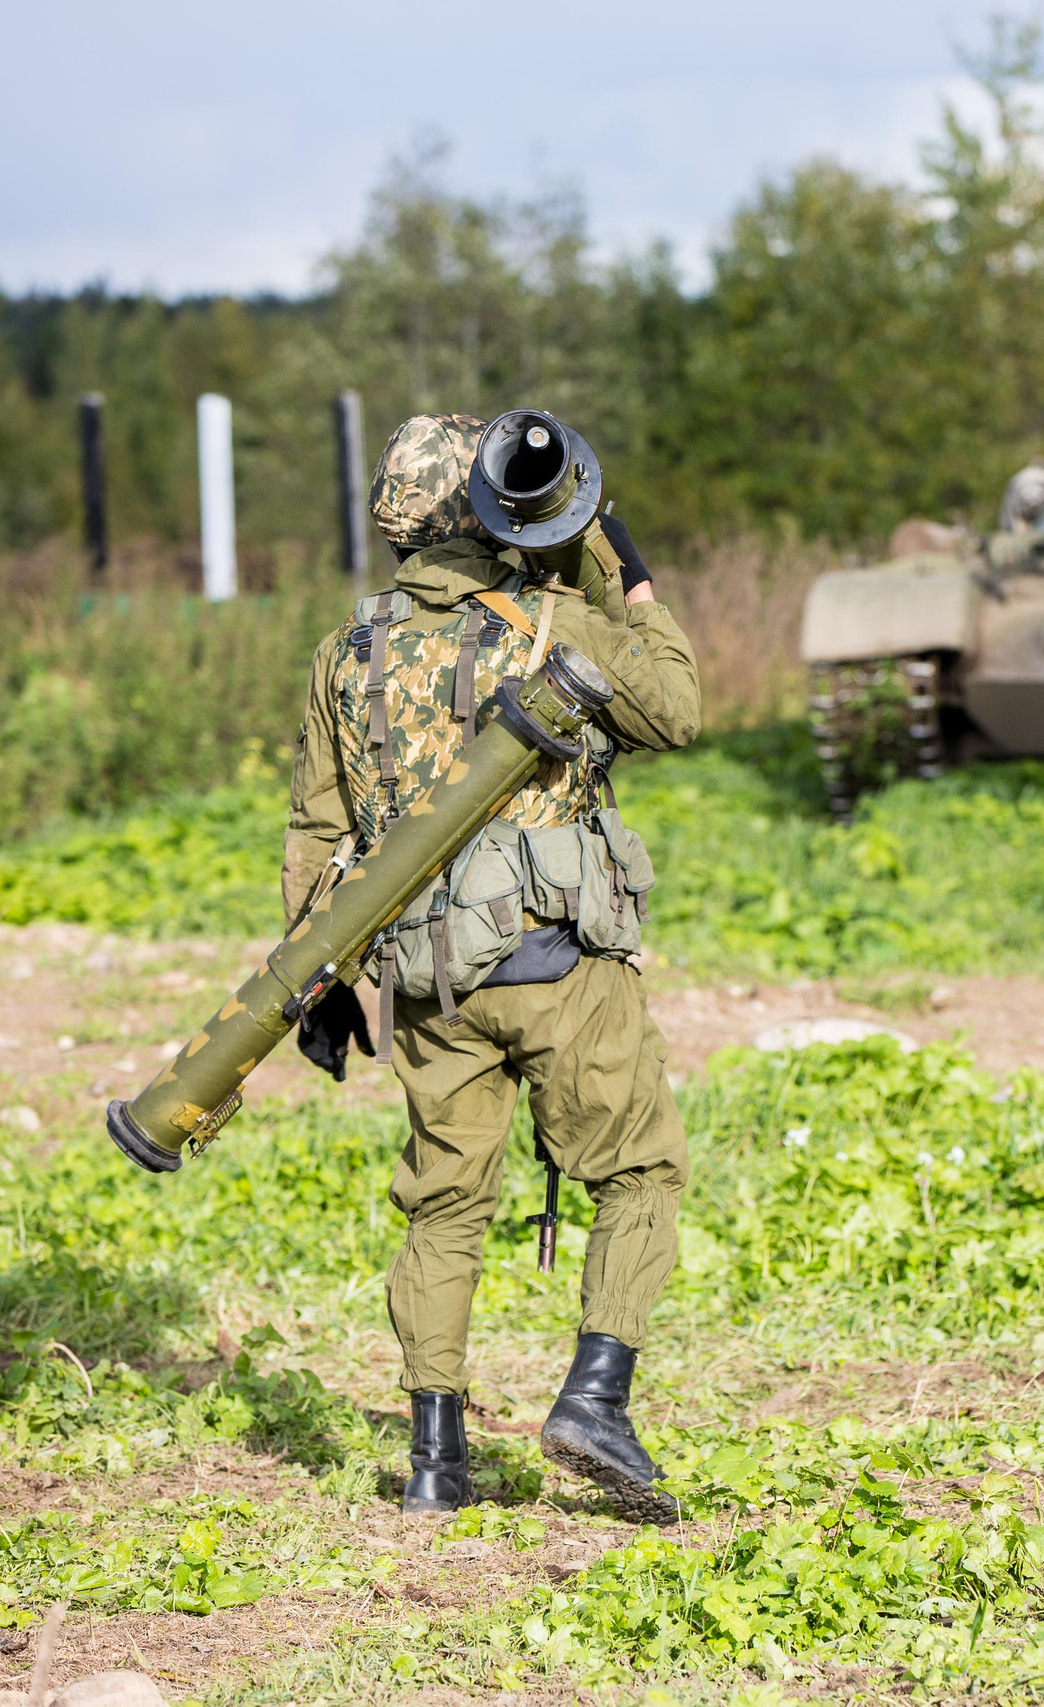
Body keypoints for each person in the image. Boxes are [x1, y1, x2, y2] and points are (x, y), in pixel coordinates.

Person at [282, 412, 699, 1522]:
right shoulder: (555, 621)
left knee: (443, 1208)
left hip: (422, 980)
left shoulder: (348, 651)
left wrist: (315, 981)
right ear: (486, 507)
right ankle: (595, 1401)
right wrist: (632, 581)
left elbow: (316, 835)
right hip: (560, 965)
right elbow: (681, 707)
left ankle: (435, 1466)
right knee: (640, 1171)